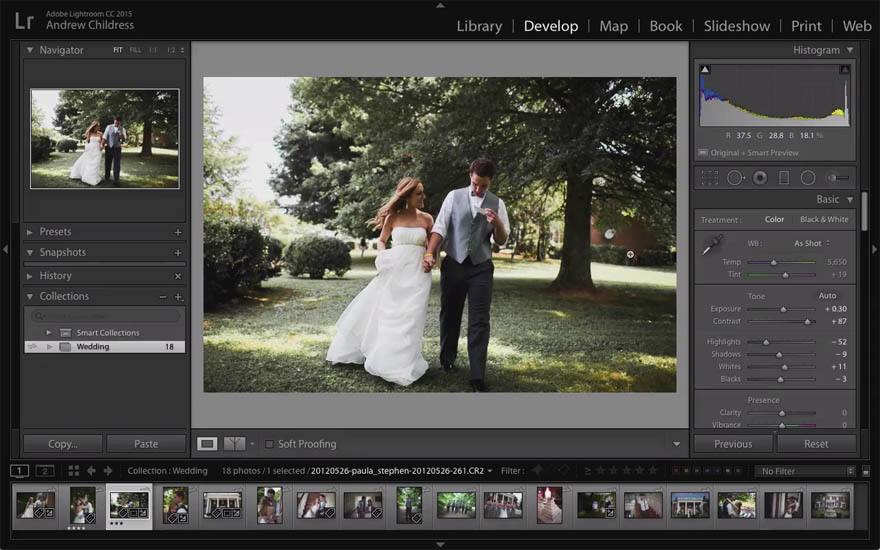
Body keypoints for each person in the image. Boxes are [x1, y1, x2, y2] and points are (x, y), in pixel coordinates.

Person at [326, 176, 434, 386]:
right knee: (390, 314)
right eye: (419, 193)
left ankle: (405, 361)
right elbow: (382, 241)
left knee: (411, 317)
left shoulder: (427, 219)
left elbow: (431, 246)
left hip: (418, 274)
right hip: (395, 272)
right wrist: (383, 257)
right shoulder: (393, 217)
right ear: (407, 196)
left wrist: (431, 257)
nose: (423, 197)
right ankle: (386, 358)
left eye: (423, 192)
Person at [423, 158, 510, 392]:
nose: (478, 189)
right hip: (454, 263)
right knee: (450, 313)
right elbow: (440, 228)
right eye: (475, 183)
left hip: (481, 267)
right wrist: (430, 252)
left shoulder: (498, 204)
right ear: (470, 175)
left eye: (484, 185)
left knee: (480, 320)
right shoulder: (453, 196)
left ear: (491, 181)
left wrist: (497, 224)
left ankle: (477, 375)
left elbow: (502, 241)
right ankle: (447, 358)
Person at [68, 120, 105, 186]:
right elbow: (87, 142)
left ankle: (94, 177)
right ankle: (88, 177)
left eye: (99, 126)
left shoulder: (101, 134)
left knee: (95, 164)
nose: (99, 127)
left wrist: (102, 146)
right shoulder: (90, 133)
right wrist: (86, 149)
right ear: (94, 127)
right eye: (97, 126)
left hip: (97, 151)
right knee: (89, 163)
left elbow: (103, 142)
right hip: (90, 150)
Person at [103, 116, 126, 186]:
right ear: (114, 121)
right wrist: (102, 145)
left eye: (118, 122)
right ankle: (107, 177)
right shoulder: (108, 127)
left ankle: (116, 180)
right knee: (107, 163)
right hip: (109, 147)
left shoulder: (122, 129)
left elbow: (124, 140)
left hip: (117, 148)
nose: (116, 123)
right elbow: (104, 136)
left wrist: (121, 134)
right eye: (115, 122)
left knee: (117, 164)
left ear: (120, 122)